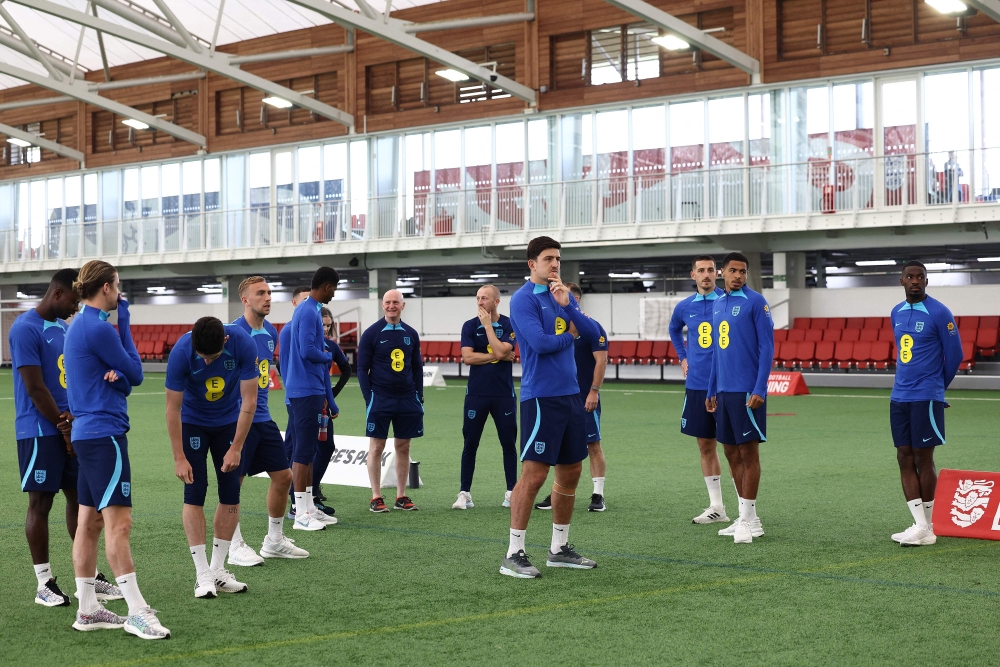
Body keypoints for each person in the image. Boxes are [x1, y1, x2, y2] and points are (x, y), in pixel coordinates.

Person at [63, 260, 169, 638]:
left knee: (88, 523)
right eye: (118, 286)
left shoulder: (79, 326)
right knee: (118, 524)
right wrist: (124, 321)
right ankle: (137, 611)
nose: (120, 293)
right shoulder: (98, 327)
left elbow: (124, 381)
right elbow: (138, 373)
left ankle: (88, 609)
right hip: (104, 436)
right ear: (106, 288)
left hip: (87, 436)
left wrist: (120, 378)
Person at [9, 269, 124, 607]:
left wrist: (74, 421)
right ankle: (44, 583)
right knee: (40, 504)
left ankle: (87, 577)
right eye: (74, 300)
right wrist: (62, 425)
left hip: (73, 428)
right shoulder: (24, 328)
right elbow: (34, 387)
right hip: (39, 431)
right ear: (57, 293)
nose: (76, 307)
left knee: (81, 501)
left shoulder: (64, 329)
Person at [501, 236, 601, 578]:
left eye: (558, 258)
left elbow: (596, 335)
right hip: (540, 397)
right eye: (548, 259)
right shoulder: (522, 300)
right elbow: (542, 345)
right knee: (535, 474)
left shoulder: (563, 296)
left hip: (571, 396)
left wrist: (569, 306)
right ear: (533, 264)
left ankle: (559, 548)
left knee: (571, 471)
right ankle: (514, 552)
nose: (555, 264)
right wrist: (570, 336)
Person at [165, 317, 259, 598]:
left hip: (229, 422)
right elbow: (172, 408)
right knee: (195, 491)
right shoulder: (182, 350)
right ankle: (201, 573)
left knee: (231, 493)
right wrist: (178, 456)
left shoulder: (243, 343)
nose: (206, 363)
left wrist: (237, 447)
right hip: (193, 422)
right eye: (201, 357)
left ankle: (217, 570)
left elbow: (250, 402)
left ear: (226, 342)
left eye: (212, 358)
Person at [228, 277, 309, 565]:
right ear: (246, 300)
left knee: (283, 476)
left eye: (269, 292)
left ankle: (274, 541)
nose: (267, 298)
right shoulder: (232, 333)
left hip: (263, 417)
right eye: (260, 293)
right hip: (237, 420)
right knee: (232, 483)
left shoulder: (270, 333)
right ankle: (234, 545)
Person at [889, 260, 962, 547]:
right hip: (899, 397)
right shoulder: (896, 312)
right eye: (910, 276)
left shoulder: (939, 312)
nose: (915, 281)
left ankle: (928, 527)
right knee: (903, 456)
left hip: (926, 396)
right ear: (902, 281)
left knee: (923, 458)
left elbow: (955, 355)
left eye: (920, 276)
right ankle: (920, 525)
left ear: (927, 281)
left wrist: (937, 390)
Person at [706, 252, 774, 545]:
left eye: (742, 271)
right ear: (723, 272)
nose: (737, 275)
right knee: (731, 454)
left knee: (749, 454)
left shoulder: (757, 302)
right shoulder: (718, 304)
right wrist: (711, 388)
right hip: (724, 392)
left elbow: (768, 348)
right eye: (732, 270)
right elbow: (716, 353)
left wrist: (760, 388)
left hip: (748, 391)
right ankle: (748, 517)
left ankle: (747, 519)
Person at [534, 282, 608, 512]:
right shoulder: (556, 329)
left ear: (575, 300)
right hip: (558, 397)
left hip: (585, 398)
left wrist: (593, 391)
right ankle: (557, 491)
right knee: (559, 447)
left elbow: (601, 360)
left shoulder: (592, 328)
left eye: (565, 297)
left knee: (593, 444)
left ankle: (598, 495)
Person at [668, 256, 731, 524]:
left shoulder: (728, 301)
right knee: (705, 445)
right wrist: (683, 357)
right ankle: (717, 507)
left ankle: (747, 512)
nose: (706, 274)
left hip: (728, 385)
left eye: (710, 270)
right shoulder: (684, 307)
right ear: (693, 275)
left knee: (733, 448)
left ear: (717, 273)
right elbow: (673, 330)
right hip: (696, 385)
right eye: (701, 270)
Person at [284, 268, 341, 530]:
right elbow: (308, 351)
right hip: (305, 390)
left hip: (311, 389)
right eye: (335, 288)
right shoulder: (308, 312)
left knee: (307, 453)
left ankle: (308, 508)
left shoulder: (309, 310)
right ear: (327, 286)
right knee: (303, 452)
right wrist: (328, 356)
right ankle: (301, 513)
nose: (335, 293)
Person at [357, 289, 423, 512]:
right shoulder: (372, 333)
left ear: (402, 306)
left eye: (396, 302)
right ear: (383, 305)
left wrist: (419, 394)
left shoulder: (411, 334)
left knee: (403, 446)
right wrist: (369, 397)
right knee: (377, 447)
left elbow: (416, 367)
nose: (391, 306)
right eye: (388, 302)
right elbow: (361, 368)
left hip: (407, 398)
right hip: (381, 397)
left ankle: (401, 496)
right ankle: (376, 497)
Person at [453, 284, 518, 510]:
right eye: (478, 298)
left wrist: (488, 326)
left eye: (485, 298)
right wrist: (496, 355)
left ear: (496, 301)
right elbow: (468, 358)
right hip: (476, 395)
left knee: (508, 443)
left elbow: (503, 351)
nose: (480, 302)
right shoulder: (469, 326)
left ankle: (512, 492)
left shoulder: (509, 323)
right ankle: (464, 493)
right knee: (470, 443)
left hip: (503, 395)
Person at [314, 318, 352, 509]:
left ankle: (312, 487)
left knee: (326, 446)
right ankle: (302, 491)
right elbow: (280, 364)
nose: (326, 328)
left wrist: (332, 395)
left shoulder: (331, 346)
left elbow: (346, 370)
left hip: (324, 403)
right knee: (303, 447)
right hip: (304, 401)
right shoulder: (304, 343)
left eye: (329, 325)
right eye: (323, 324)